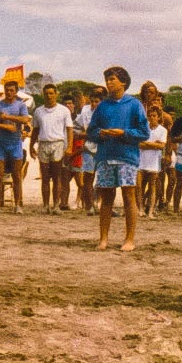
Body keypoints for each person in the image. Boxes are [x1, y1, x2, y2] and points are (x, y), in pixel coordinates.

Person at [87, 66, 149, 252]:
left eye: (112, 79)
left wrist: (124, 133)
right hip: (105, 157)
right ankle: (103, 239)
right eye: (107, 79)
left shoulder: (135, 105)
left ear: (123, 82)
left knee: (129, 197)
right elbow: (91, 131)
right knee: (106, 198)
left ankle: (129, 239)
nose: (108, 82)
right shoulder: (102, 106)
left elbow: (144, 132)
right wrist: (102, 134)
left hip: (127, 157)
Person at [0, 81, 30, 214]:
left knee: (17, 176)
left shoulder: (21, 105)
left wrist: (7, 117)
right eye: (7, 90)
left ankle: (18, 205)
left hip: (15, 143)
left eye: (12, 90)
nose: (9, 92)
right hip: (0, 142)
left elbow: (25, 120)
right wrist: (4, 126)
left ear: (16, 91)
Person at [31, 83, 73, 214]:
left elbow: (69, 129)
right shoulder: (38, 111)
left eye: (51, 93)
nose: (49, 96)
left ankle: (56, 205)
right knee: (44, 177)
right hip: (43, 143)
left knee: (57, 176)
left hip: (58, 144)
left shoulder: (63, 110)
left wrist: (69, 146)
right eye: (46, 93)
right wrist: (31, 144)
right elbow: (35, 130)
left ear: (56, 94)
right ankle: (45, 205)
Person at [137, 105, 167, 218]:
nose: (152, 118)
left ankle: (151, 210)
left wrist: (148, 144)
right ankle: (140, 208)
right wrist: (154, 144)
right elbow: (139, 144)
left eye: (154, 116)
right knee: (139, 186)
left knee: (152, 187)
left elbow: (161, 146)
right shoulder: (143, 128)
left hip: (154, 161)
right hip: (141, 160)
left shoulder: (163, 130)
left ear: (159, 117)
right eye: (150, 116)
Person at [76, 87, 103, 214]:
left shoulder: (107, 112)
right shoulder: (85, 111)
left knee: (104, 178)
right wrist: (83, 135)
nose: (93, 104)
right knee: (88, 177)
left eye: (96, 101)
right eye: (92, 101)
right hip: (88, 148)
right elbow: (76, 127)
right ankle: (90, 205)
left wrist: (89, 135)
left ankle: (103, 205)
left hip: (103, 148)